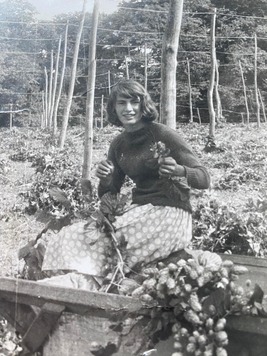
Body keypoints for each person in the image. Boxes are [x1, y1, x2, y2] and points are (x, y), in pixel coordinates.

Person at [41, 79, 210, 288]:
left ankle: (93, 284)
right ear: (113, 107)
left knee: (107, 241)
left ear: (143, 105)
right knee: (70, 235)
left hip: (169, 214)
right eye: (122, 103)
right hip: (141, 211)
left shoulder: (162, 134)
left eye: (134, 102)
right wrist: (105, 179)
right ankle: (76, 285)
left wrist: (180, 171)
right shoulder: (119, 144)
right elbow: (109, 195)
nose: (128, 109)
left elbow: (204, 178)